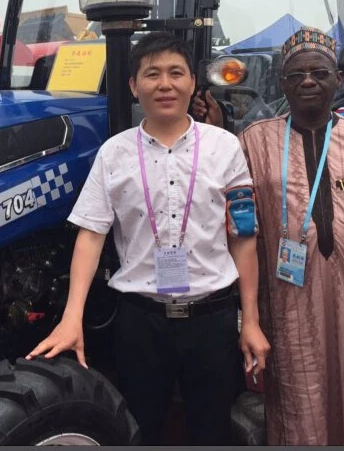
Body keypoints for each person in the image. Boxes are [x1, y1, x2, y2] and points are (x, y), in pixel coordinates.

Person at [26, 31, 270, 445]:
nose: (165, 84)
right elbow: (90, 235)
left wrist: (251, 321)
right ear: (133, 86)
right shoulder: (114, 153)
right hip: (141, 324)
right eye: (152, 74)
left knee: (211, 433)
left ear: (193, 82)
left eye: (176, 73)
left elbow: (242, 237)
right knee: (139, 430)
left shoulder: (224, 147)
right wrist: (73, 318)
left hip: (212, 322)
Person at [193, 26, 344, 445]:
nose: (309, 81)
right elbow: (237, 217)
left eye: (319, 72)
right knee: (298, 401)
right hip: (287, 298)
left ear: (337, 79)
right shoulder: (255, 142)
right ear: (283, 84)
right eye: (297, 74)